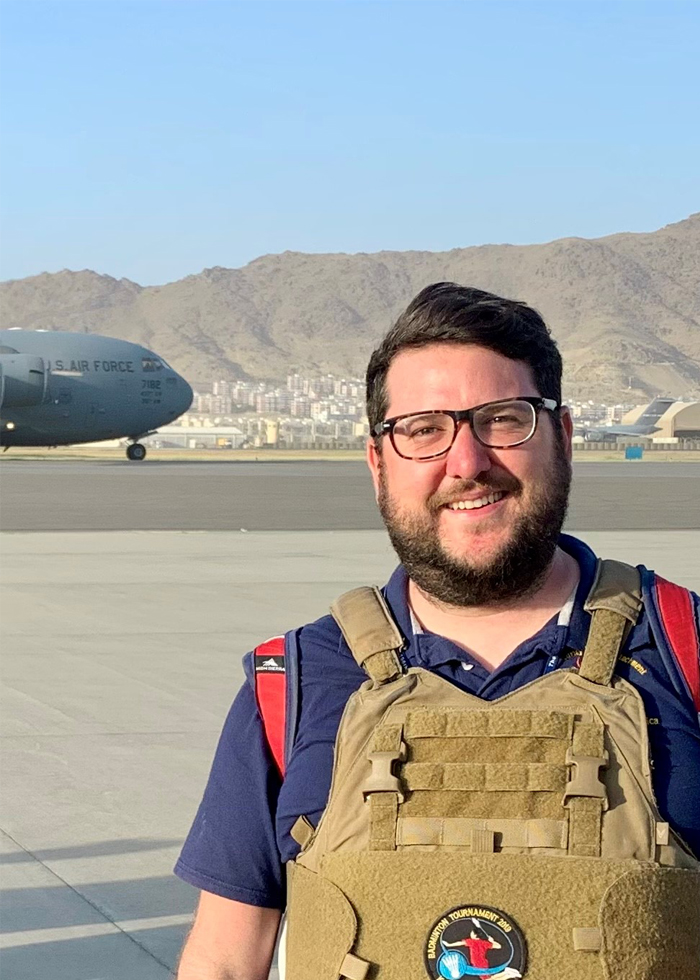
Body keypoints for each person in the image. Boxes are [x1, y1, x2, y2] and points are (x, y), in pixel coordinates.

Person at [175, 284, 700, 980]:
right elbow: (222, 960)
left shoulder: (683, 648)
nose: (466, 461)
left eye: (503, 419)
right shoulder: (293, 680)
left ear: (564, 438)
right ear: (378, 463)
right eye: (423, 430)